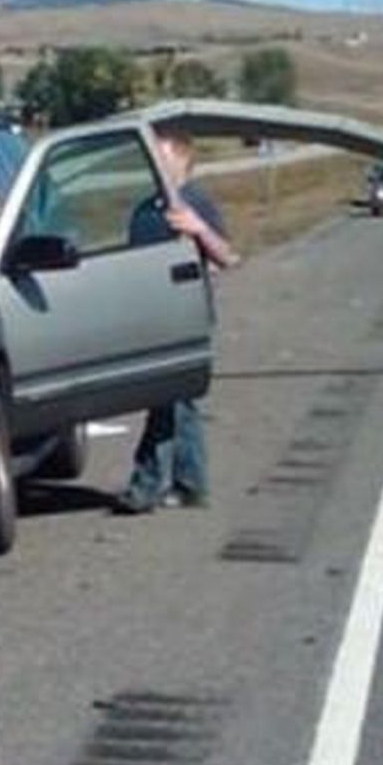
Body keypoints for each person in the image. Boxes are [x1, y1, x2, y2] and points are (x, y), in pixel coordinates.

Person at [116, 131, 239, 514]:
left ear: (182, 161)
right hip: (151, 315)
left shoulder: (196, 203)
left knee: (171, 399)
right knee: (174, 402)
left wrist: (198, 229)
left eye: (162, 156)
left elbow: (228, 256)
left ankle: (149, 483)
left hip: (186, 315)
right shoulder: (146, 209)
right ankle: (188, 483)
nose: (154, 163)